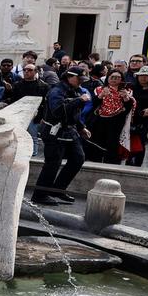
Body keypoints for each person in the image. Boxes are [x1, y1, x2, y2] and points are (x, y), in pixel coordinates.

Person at [31, 69, 90, 206]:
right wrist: (79, 100)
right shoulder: (56, 91)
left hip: (69, 130)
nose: (81, 82)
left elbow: (73, 113)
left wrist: (81, 127)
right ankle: (39, 194)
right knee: (52, 163)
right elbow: (58, 111)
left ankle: (57, 189)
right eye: (79, 79)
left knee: (78, 158)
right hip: (54, 131)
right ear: (69, 77)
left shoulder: (73, 90)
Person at [84, 71, 134, 164]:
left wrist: (126, 98)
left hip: (117, 121)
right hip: (100, 120)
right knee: (97, 143)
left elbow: (128, 109)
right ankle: (94, 163)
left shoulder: (127, 91)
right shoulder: (99, 89)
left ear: (122, 79)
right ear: (108, 78)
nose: (114, 79)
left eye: (118, 77)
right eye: (112, 77)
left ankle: (112, 164)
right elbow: (93, 105)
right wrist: (101, 95)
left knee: (113, 145)